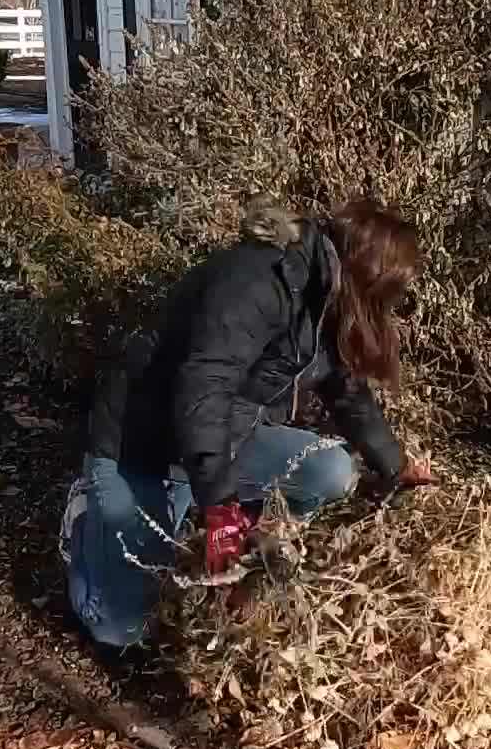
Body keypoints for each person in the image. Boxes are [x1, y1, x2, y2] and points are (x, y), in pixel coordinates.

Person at [65, 197, 435, 648]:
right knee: (121, 629)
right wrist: (220, 508)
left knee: (331, 469)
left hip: (221, 440)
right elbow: (204, 388)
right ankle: (86, 523)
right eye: (389, 292)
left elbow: (348, 390)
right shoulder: (260, 280)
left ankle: (240, 533)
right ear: (370, 275)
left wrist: (395, 467)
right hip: (141, 445)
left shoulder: (327, 299)